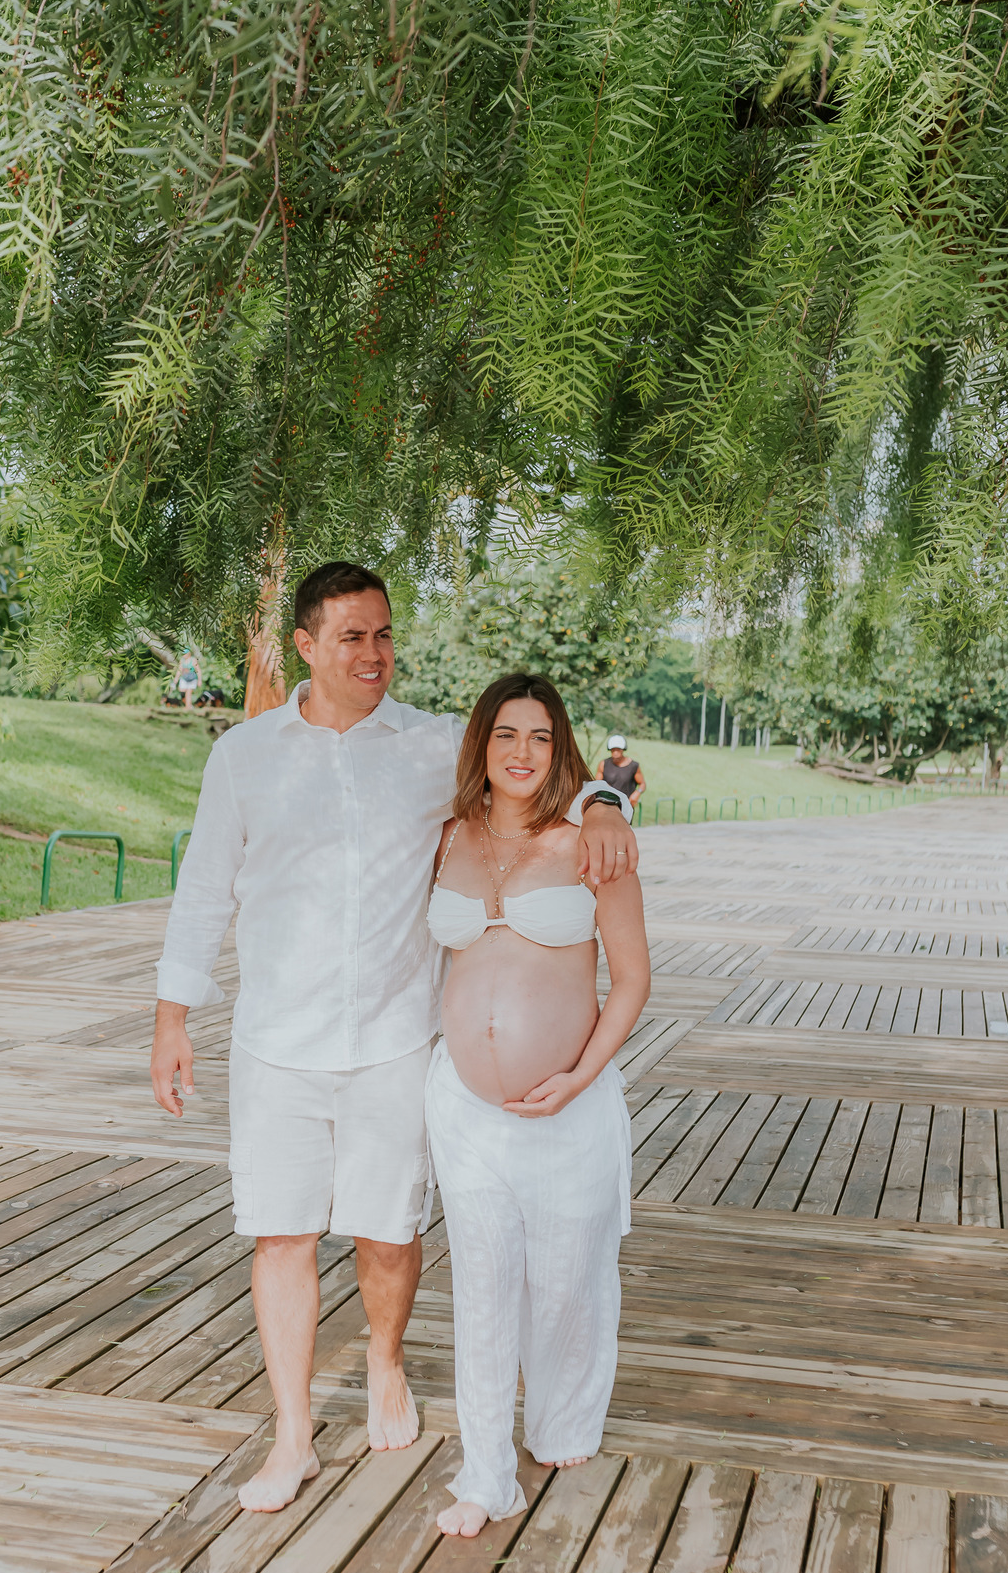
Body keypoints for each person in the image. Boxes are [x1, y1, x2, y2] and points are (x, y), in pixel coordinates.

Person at [149, 563, 640, 1514]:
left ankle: (383, 1363)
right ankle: (293, 1435)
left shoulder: (426, 748)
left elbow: (531, 773)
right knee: (280, 1232)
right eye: (351, 638)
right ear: (304, 646)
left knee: (387, 1233)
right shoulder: (243, 758)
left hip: (392, 1038)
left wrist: (604, 803)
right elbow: (204, 888)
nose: (373, 655)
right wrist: (174, 1017)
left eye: (383, 635)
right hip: (273, 1043)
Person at [426, 674, 651, 1537]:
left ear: (563, 750)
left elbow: (630, 980)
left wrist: (581, 1074)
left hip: (570, 1104)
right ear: (482, 743)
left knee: (567, 1278)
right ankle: (485, 1475)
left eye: (543, 738)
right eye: (507, 736)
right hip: (465, 1106)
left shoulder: (594, 845)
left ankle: (561, 1423)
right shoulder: (446, 838)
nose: (523, 754)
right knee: (482, 1285)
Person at [596, 733, 645, 807]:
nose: (615, 753)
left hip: (625, 806)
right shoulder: (603, 764)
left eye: (618, 750)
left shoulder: (633, 766)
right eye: (613, 750)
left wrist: (637, 793)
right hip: (606, 804)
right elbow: (597, 783)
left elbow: (642, 784)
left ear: (623, 750)